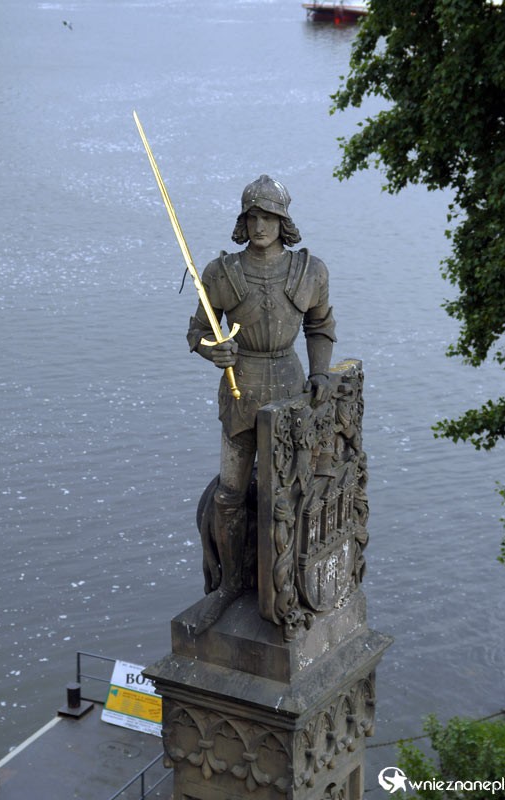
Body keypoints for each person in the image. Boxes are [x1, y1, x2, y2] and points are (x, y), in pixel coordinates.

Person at [187, 175, 336, 633]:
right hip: (241, 391)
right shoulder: (222, 272)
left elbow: (320, 326)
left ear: (283, 222)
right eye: (253, 216)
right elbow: (197, 332)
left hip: (291, 392)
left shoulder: (310, 271)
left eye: (269, 217)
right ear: (243, 220)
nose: (260, 225)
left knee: (289, 494)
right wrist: (215, 351)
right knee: (231, 494)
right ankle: (230, 583)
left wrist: (320, 373)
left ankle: (288, 582)